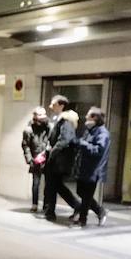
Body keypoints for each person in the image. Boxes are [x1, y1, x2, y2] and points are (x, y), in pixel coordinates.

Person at [42, 95, 81, 223]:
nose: (50, 107)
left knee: (53, 185)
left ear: (61, 105)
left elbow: (64, 140)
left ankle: (51, 212)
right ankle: (75, 206)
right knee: (56, 186)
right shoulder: (58, 119)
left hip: (59, 160)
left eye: (53, 104)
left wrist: (52, 152)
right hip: (57, 159)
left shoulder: (66, 121)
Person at [72, 107, 111, 227]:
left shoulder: (102, 133)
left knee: (87, 195)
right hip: (84, 167)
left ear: (94, 117)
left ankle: (83, 220)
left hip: (94, 169)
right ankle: (99, 211)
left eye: (88, 115)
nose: (86, 118)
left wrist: (82, 143)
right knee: (81, 191)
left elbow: (98, 150)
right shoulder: (90, 130)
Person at [21, 106, 51, 213]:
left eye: (43, 115)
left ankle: (47, 205)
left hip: (47, 159)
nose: (41, 118)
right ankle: (34, 204)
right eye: (38, 115)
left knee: (48, 184)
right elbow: (25, 145)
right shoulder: (28, 130)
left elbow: (51, 140)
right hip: (35, 160)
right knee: (36, 183)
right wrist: (29, 159)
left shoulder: (48, 127)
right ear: (34, 116)